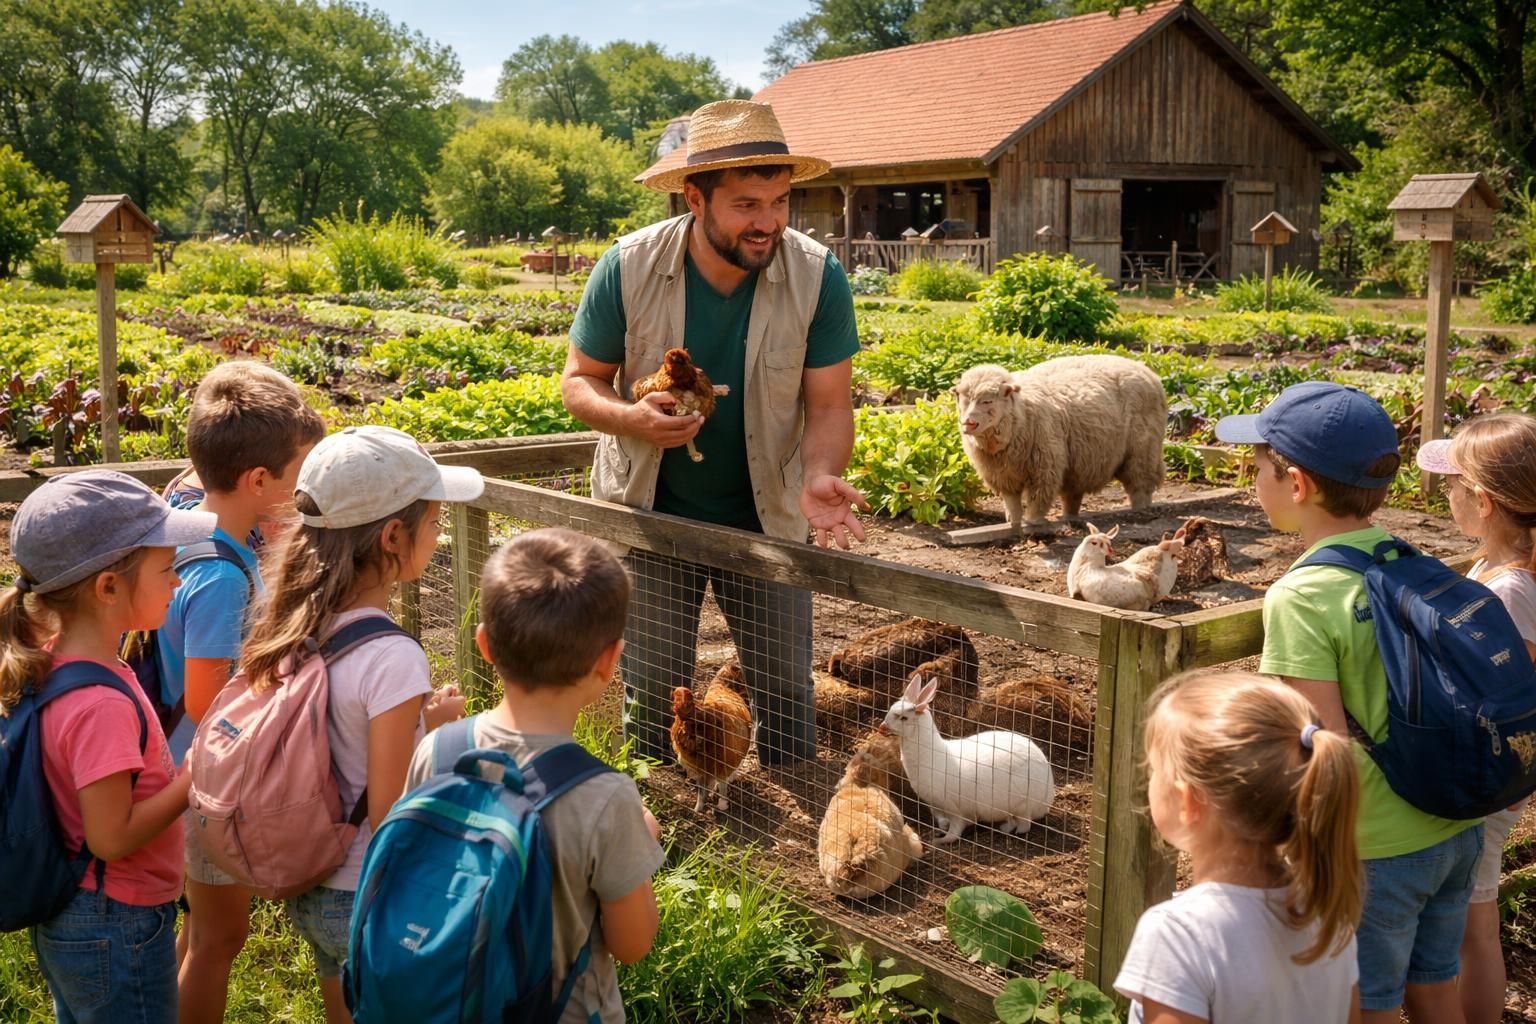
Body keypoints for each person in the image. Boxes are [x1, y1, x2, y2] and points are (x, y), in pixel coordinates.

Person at [561, 98, 868, 766]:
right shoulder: (629, 266)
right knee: (653, 695)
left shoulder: (818, 277)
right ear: (694, 201)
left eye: (781, 202)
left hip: (767, 518)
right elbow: (579, 380)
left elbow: (828, 405)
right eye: (748, 206)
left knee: (787, 695)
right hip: (652, 515)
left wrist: (818, 475)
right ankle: (659, 839)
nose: (769, 223)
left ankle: (792, 848)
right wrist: (631, 419)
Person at [1215, 381, 1483, 1024]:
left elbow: (1320, 748)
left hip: (1376, 848)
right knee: (1435, 985)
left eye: (1257, 466)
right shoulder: (1408, 557)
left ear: (1297, 484)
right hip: (1453, 824)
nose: (1252, 479)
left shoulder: (1301, 596)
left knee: (1369, 1007)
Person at [238, 426, 480, 1024]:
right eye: (433, 523)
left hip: (313, 881)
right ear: (394, 537)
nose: (440, 534)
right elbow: (390, 805)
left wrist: (420, 719)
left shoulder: (298, 620)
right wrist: (449, 750)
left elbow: (336, 724)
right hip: (367, 886)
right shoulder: (396, 657)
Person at [403, 528, 664, 1024]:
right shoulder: (606, 797)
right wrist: (639, 839)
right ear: (609, 660)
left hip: (446, 997)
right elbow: (634, 944)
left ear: (483, 644)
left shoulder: (437, 749)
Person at [2, 471, 218, 1023]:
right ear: (108, 587)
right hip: (115, 922)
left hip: (82, 915)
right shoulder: (100, 704)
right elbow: (111, 835)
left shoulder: (60, 661)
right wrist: (190, 781)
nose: (177, 582)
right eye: (167, 568)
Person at [166, 361, 325, 1024]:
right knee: (220, 939)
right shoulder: (223, 579)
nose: (304, 489)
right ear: (260, 481)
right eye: (300, 475)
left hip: (182, 767)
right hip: (205, 775)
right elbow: (207, 703)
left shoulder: (184, 523)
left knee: (205, 933)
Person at [1115, 669, 1362, 1023]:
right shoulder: (1327, 915)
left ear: (1189, 800)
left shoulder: (1177, 935)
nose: (1149, 779)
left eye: (1154, 769)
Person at [1416, 414, 1536, 1024]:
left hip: (1489, 777)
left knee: (1473, 927)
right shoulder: (1502, 568)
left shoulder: (1510, 590)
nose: (1448, 495)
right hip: (1501, 773)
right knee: (1472, 920)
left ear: (1484, 501)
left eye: (1454, 485)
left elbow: (1495, 690)